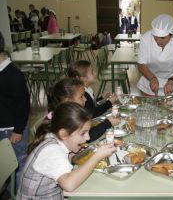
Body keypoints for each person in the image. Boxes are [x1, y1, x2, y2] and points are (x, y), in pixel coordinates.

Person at [17, 102, 116, 199]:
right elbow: (69, 185)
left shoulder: (53, 137)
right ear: (64, 134)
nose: (88, 137)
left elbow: (62, 160)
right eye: (83, 133)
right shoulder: (52, 151)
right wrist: (96, 157)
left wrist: (73, 154)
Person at [0, 32, 30, 186]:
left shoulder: (13, 74)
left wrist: (18, 130)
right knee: (5, 167)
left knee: (18, 167)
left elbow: (24, 105)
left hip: (12, 130)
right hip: (2, 127)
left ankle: (19, 194)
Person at [49, 77, 120, 142]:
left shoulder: (67, 112)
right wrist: (107, 123)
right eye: (81, 96)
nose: (85, 99)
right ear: (68, 101)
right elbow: (87, 139)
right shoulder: (67, 119)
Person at [137, 14, 173, 96]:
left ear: (171, 35)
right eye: (155, 37)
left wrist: (172, 81)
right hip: (150, 81)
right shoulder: (146, 38)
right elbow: (141, 64)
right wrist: (152, 78)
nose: (158, 41)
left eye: (162, 38)